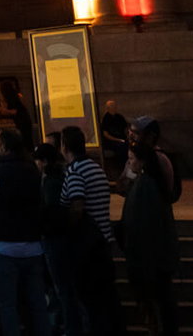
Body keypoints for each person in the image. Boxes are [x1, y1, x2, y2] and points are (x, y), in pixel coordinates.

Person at [0, 127, 50, 336]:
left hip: (4, 244)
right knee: (37, 301)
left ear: (3, 147)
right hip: (33, 244)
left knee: (7, 304)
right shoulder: (33, 169)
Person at [60, 125, 122, 336]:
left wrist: (65, 225)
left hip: (87, 246)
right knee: (105, 299)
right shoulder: (96, 168)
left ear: (64, 146)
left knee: (90, 301)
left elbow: (77, 205)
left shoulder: (75, 171)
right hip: (103, 239)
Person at [120, 138, 179, 336]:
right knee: (161, 303)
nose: (129, 164)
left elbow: (141, 224)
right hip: (156, 257)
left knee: (155, 306)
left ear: (142, 161)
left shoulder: (146, 186)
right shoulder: (150, 184)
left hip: (148, 259)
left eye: (131, 159)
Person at [34, 142, 79, 336]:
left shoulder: (50, 182)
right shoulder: (57, 178)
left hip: (54, 239)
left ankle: (68, 327)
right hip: (56, 238)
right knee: (59, 287)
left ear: (43, 162)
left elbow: (52, 213)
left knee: (61, 287)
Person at [97, 102, 128, 178]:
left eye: (115, 106)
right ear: (107, 108)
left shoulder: (119, 117)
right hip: (111, 141)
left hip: (122, 139)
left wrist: (127, 137)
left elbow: (126, 129)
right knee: (121, 148)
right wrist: (118, 140)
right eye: (111, 106)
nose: (114, 107)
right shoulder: (106, 119)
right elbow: (106, 134)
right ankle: (121, 168)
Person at [1, 80, 35, 147]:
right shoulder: (17, 94)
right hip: (25, 120)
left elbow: (16, 111)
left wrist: (4, 110)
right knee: (28, 139)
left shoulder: (12, 97)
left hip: (22, 121)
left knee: (25, 140)